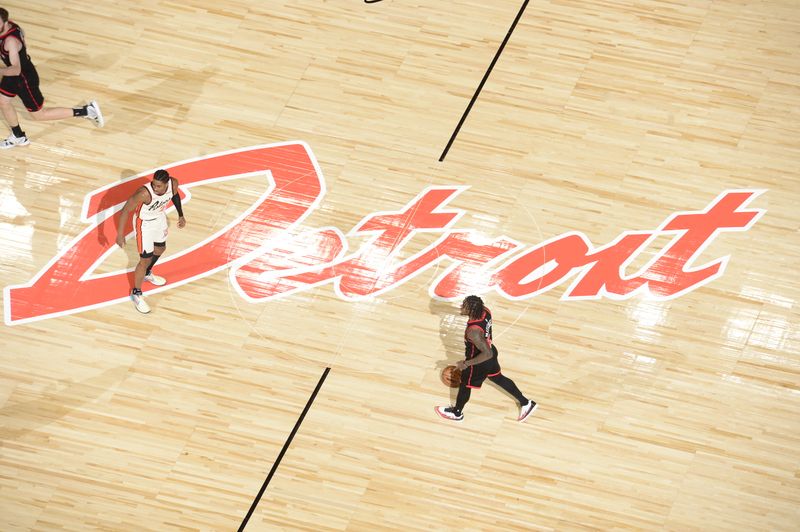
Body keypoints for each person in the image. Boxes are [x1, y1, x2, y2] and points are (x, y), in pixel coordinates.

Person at [0, 7, 103, 149]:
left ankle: (87, 111)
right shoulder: (12, 26)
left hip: (23, 79)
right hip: (13, 75)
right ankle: (18, 136)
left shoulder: (10, 41)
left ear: (5, 22)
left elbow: (16, 69)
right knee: (3, 102)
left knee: (39, 115)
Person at [436, 295, 537, 423]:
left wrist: (466, 364)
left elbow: (486, 353)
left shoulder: (473, 331)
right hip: (490, 352)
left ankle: (457, 413)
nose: (461, 307)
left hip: (479, 361)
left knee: (465, 385)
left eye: (464, 306)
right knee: (498, 378)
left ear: (472, 310)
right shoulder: (485, 311)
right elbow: (488, 351)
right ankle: (526, 403)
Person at [115, 169, 186, 314]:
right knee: (144, 260)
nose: (155, 188)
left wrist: (181, 215)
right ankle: (136, 293)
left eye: (159, 186)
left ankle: (147, 273)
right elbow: (125, 210)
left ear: (166, 183)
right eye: (153, 184)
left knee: (160, 248)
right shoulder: (144, 193)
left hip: (159, 218)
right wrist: (120, 234)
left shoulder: (173, 184)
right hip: (144, 224)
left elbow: (175, 195)